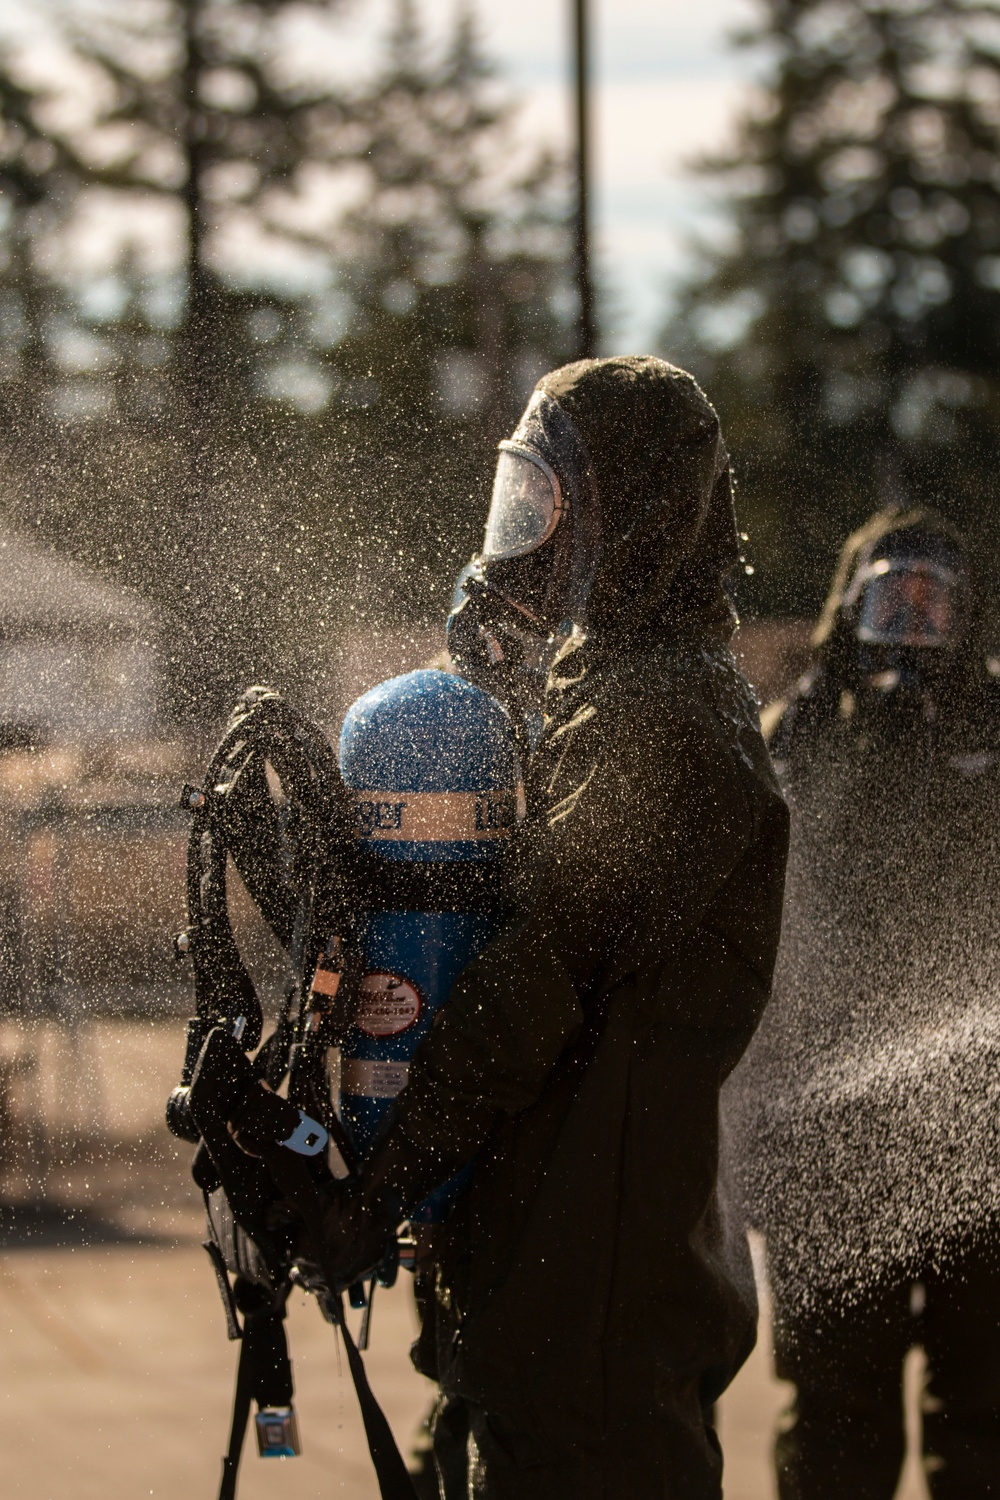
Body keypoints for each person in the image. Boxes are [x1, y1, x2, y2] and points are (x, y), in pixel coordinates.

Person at [322, 355, 789, 1499]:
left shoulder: (671, 721)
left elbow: (531, 986)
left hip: (596, 1320)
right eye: (511, 503)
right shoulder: (609, 690)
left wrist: (378, 1184)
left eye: (546, 510)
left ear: (630, 520)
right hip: (545, 1288)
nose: (517, 547)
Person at [725, 505, 1000, 1498]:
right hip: (829, 1154)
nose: (914, 622)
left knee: (988, 1417)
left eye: (935, 602)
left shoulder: (995, 727)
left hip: (984, 1147)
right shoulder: (793, 736)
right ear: (851, 604)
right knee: (836, 1423)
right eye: (893, 597)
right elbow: (744, 945)